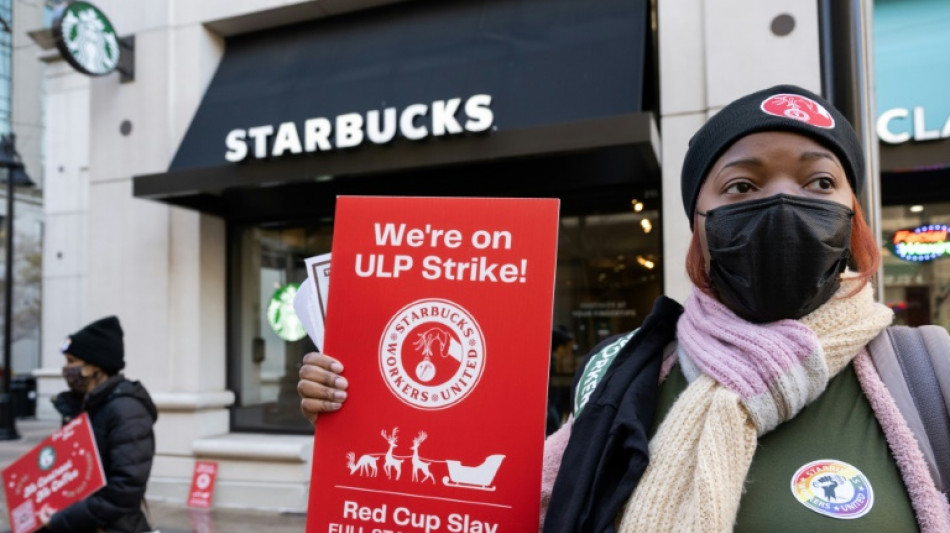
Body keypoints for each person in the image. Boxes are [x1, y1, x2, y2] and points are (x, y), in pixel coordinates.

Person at [297, 85, 950, 532]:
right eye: (743, 185)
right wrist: (366, 409)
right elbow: (493, 502)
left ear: (852, 215)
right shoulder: (629, 377)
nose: (782, 203)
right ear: (700, 226)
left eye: (818, 182)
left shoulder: (929, 375)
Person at [44, 316, 158, 533]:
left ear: (94, 366)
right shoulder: (82, 406)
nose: (66, 370)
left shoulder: (126, 411)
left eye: (71, 361)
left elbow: (124, 491)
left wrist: (61, 520)